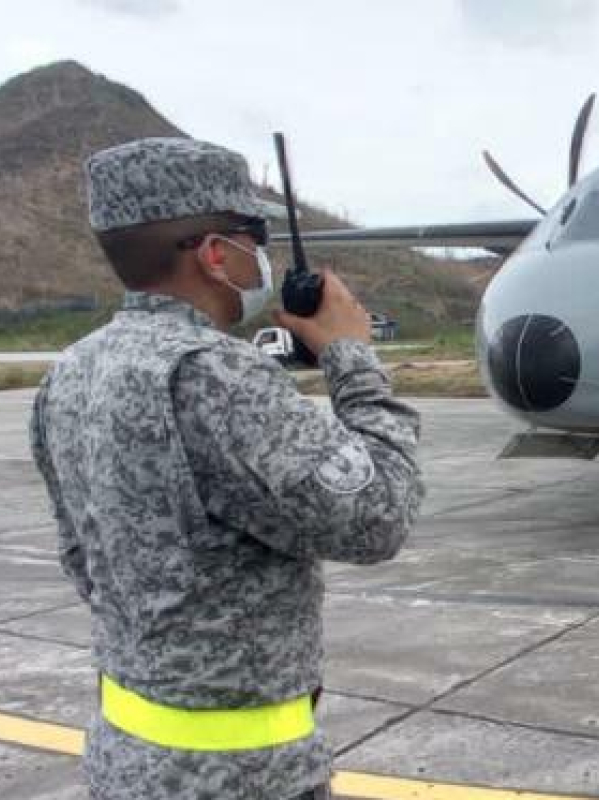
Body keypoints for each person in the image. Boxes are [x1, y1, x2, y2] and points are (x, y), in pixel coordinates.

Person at [28, 137, 425, 800]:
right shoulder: (214, 373)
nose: (262, 256)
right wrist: (353, 359)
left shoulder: (70, 371)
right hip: (243, 778)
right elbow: (377, 518)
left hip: (125, 762)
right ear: (216, 254)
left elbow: (82, 558)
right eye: (254, 236)